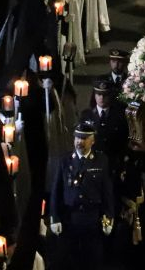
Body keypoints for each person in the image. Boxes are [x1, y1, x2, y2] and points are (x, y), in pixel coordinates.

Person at [49, 121, 115, 269]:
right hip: (69, 220)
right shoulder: (65, 160)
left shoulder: (101, 161)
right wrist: (54, 217)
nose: (80, 141)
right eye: (77, 137)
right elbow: (56, 192)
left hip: (92, 220)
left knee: (93, 261)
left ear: (93, 141)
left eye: (84, 138)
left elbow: (107, 192)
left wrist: (109, 217)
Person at [78, 79, 130, 182]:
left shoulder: (120, 116)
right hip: (92, 166)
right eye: (98, 94)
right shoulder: (87, 116)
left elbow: (125, 141)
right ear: (94, 95)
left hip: (113, 166)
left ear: (110, 95)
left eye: (105, 95)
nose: (101, 98)